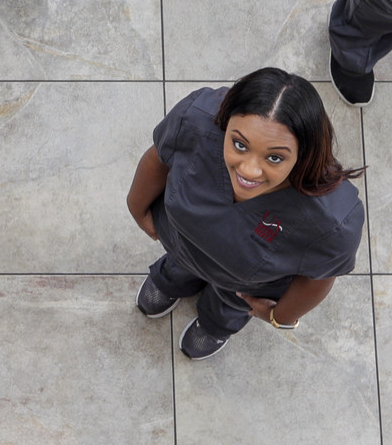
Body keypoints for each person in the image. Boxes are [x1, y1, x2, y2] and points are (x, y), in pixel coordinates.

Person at [127, 68, 365, 360]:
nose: (249, 170)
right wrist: (138, 209)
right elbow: (158, 157)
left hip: (242, 288)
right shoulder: (196, 119)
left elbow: (319, 277)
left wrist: (281, 315)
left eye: (274, 157)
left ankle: (215, 325)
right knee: (181, 264)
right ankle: (171, 280)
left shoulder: (334, 221)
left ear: (304, 154)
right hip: (183, 246)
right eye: (239, 144)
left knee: (232, 304)